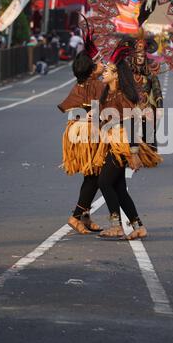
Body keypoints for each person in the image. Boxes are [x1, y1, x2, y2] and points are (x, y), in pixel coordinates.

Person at [93, 45, 162, 240]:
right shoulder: (108, 93)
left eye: (107, 70)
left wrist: (133, 153)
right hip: (111, 143)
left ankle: (116, 226)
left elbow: (131, 122)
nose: (104, 72)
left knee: (104, 182)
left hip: (121, 145)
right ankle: (138, 226)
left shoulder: (122, 95)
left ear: (116, 75)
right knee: (119, 188)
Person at [58, 23, 105, 235]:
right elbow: (100, 113)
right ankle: (76, 216)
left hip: (80, 134)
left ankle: (84, 216)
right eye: (100, 62)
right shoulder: (97, 85)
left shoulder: (83, 83)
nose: (103, 63)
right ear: (92, 69)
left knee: (92, 175)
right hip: (90, 136)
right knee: (96, 175)